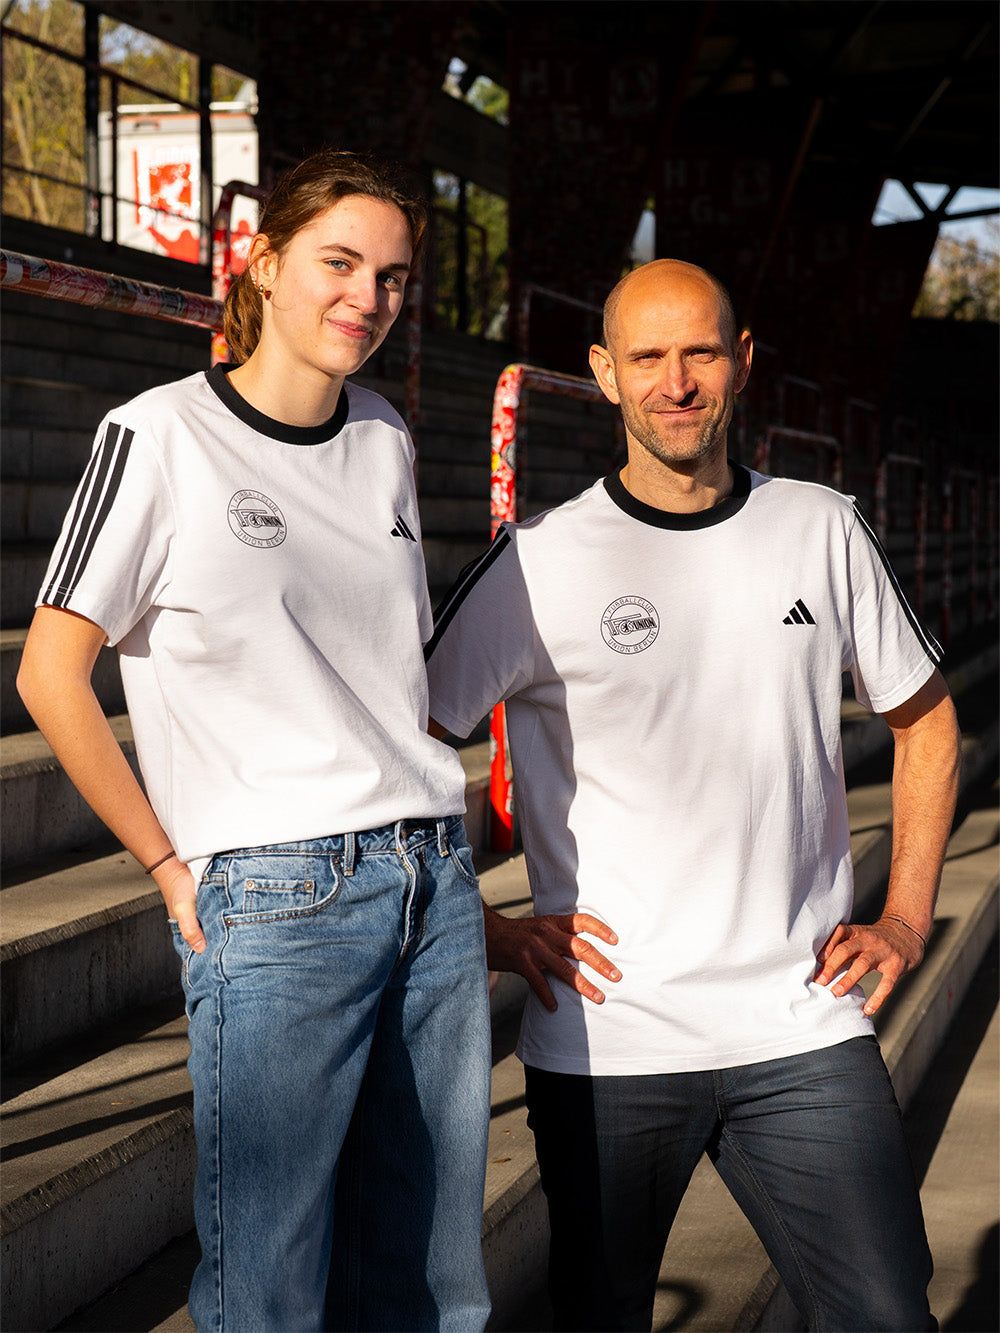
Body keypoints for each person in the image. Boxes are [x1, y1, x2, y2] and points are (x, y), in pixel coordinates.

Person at [424, 259, 960, 1332]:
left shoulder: (820, 526)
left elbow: (927, 721)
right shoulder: (537, 561)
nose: (676, 381)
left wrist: (902, 916)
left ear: (742, 362)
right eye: (648, 357)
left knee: (888, 1315)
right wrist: (475, 923)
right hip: (609, 1042)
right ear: (603, 373)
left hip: (801, 1025)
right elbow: (399, 751)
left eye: (700, 352)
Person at [18, 150, 491, 1333]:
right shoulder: (159, 434)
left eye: (388, 277)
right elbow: (50, 673)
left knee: (435, 1282)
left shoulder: (381, 433)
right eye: (338, 263)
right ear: (263, 263)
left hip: (429, 878)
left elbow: (393, 674)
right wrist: (169, 865)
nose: (366, 298)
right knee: (268, 1284)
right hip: (277, 894)